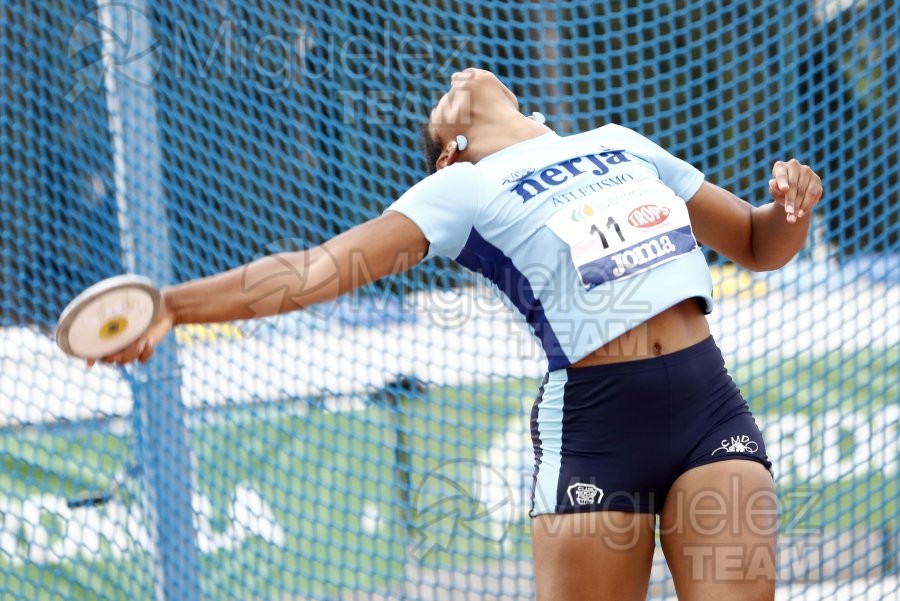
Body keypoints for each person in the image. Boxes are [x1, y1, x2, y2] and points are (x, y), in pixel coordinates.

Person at [94, 68, 823, 600]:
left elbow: (757, 243)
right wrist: (173, 304)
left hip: (710, 410)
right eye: (443, 104)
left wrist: (791, 210)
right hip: (598, 431)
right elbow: (313, 272)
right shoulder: (460, 190)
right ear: (452, 150)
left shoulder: (622, 144)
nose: (455, 77)